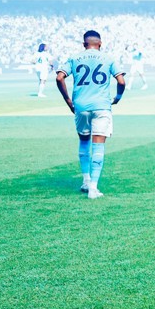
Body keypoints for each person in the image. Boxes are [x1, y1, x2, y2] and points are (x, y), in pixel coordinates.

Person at [55, 30, 126, 199]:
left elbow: (59, 78)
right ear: (100, 44)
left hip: (81, 106)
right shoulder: (108, 58)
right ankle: (93, 188)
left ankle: (86, 181)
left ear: (84, 44)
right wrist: (118, 97)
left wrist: (68, 100)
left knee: (84, 141)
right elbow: (121, 81)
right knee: (98, 146)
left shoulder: (74, 58)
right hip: (102, 106)